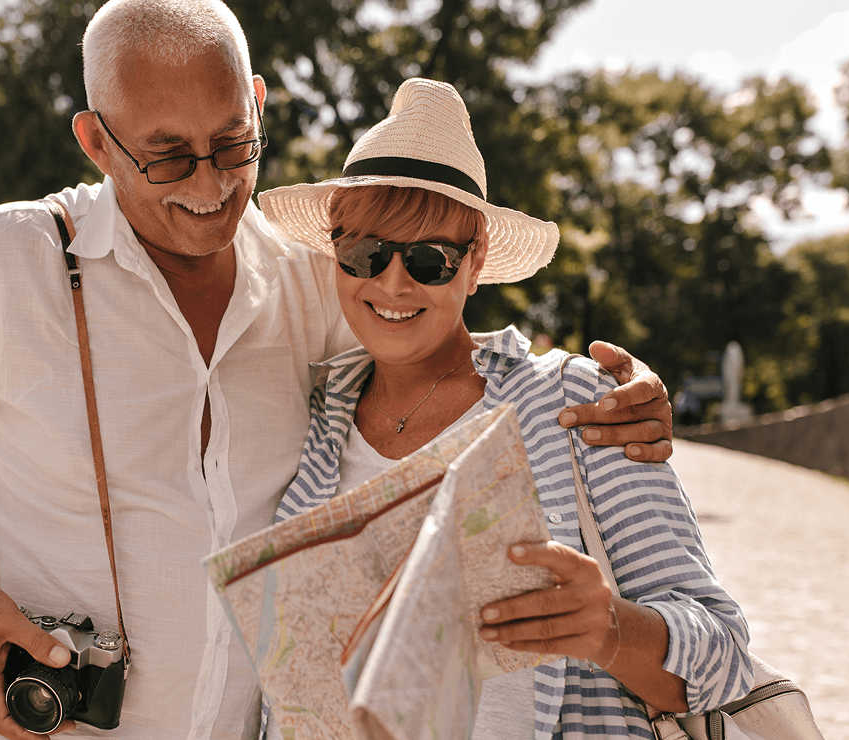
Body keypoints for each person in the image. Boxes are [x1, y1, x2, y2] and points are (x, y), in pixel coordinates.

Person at [0, 2, 675, 738]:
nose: (211, 185)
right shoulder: (1, 257)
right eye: (168, 155)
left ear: (258, 103)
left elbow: (430, 320)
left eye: (233, 143)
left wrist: (613, 389)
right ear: (95, 141)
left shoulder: (313, 279)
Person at [259, 78, 751, 739]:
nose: (392, 281)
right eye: (365, 253)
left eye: (429, 259)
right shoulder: (311, 408)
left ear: (475, 261)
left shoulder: (576, 404)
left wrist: (607, 628)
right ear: (335, 254)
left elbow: (725, 655)